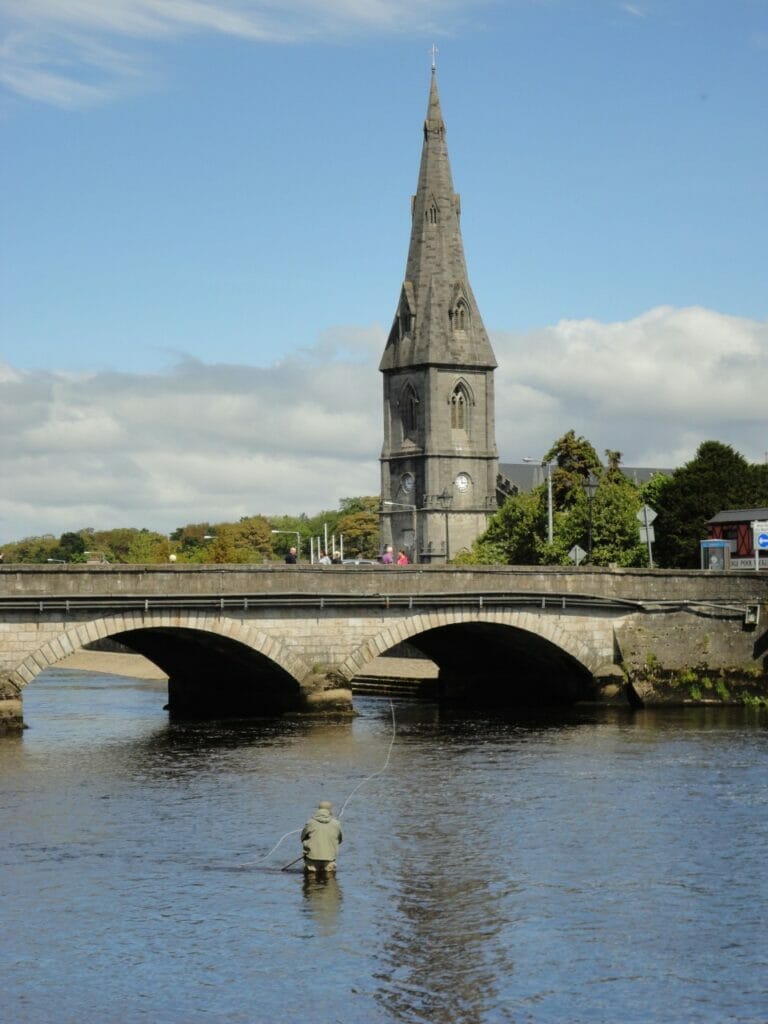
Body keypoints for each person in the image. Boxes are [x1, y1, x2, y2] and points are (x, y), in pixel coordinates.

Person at [301, 800, 342, 876]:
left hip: (311, 857)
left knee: (311, 880)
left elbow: (302, 838)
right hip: (329, 858)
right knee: (331, 882)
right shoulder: (336, 823)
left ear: (319, 809)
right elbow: (339, 840)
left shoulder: (310, 822)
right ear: (330, 810)